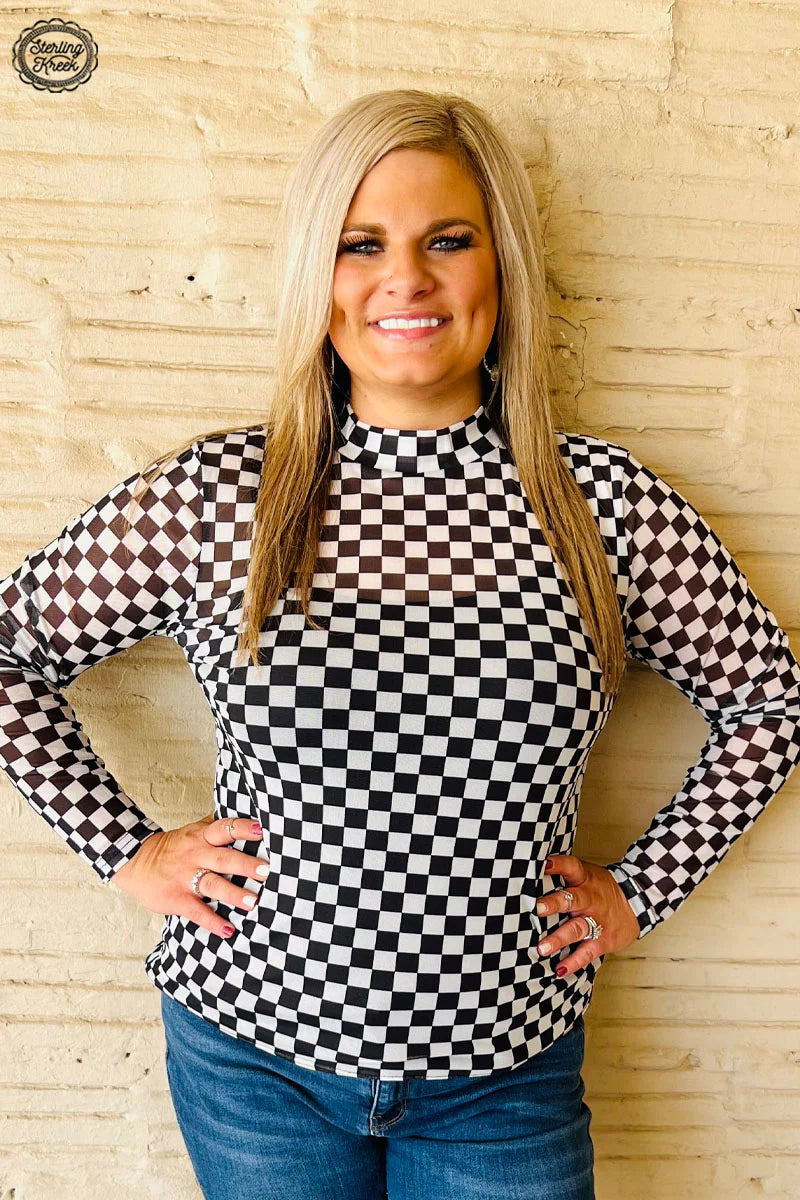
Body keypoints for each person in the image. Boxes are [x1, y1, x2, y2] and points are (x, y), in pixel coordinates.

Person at [1, 88, 799, 1200]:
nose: (405, 279)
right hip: (251, 1060)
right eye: (360, 243)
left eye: (448, 241)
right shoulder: (216, 499)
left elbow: (768, 701)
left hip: (502, 1075)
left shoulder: (601, 505)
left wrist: (637, 891)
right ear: (313, 273)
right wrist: (129, 853)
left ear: (501, 265)